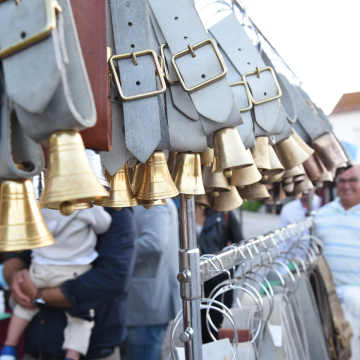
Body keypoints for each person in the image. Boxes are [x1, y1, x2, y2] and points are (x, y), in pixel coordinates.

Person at [2, 206, 136, 360]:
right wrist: (17, 279)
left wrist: (39, 295)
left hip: (94, 351)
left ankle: (9, 347)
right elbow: (16, 255)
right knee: (79, 320)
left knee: (79, 319)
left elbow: (114, 278)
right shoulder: (39, 196)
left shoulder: (114, 201)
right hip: (36, 347)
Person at [126, 199, 181, 360]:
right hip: (146, 301)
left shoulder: (154, 199)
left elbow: (154, 243)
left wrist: (118, 253)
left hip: (147, 302)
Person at [315, 165, 360, 359]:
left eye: (353, 180)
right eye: (342, 180)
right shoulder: (321, 215)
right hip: (327, 300)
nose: (347, 185)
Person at [195, 206, 243, 344]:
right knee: (197, 332)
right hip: (195, 286)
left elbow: (239, 247)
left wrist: (225, 272)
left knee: (216, 332)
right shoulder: (185, 212)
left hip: (218, 287)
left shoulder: (223, 212)